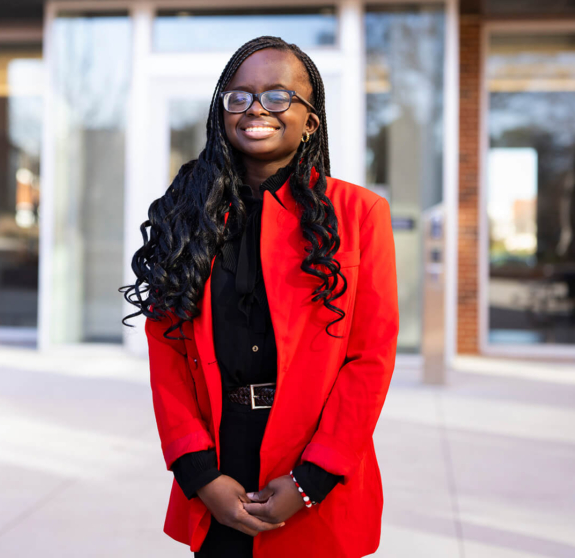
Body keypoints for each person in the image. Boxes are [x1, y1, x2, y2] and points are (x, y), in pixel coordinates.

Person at [121, 36, 399, 557]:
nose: (256, 109)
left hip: (314, 473)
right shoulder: (186, 219)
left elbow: (371, 359)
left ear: (310, 120)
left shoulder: (360, 215)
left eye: (277, 96)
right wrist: (199, 472)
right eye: (240, 96)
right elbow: (169, 355)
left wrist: (311, 480)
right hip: (219, 466)